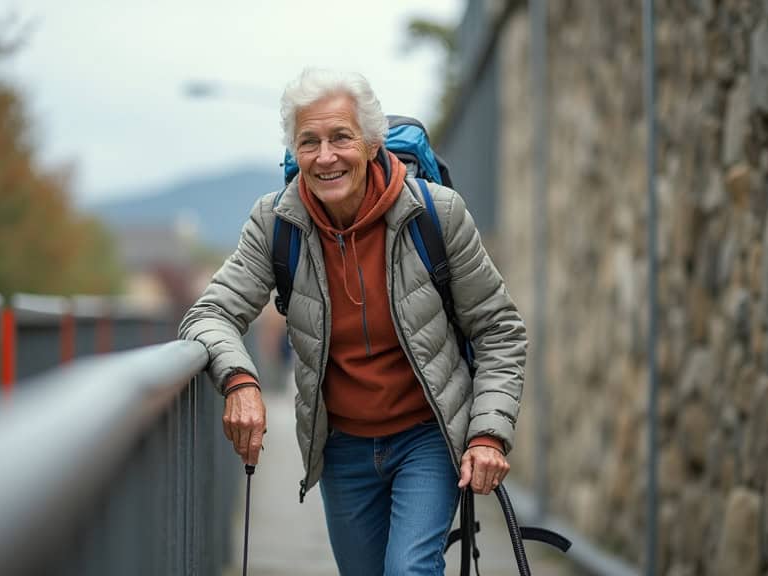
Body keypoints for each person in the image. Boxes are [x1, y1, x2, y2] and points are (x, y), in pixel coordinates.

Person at [178, 68, 527, 576]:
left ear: (369, 143)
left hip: (426, 436)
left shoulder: (437, 214)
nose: (325, 156)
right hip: (343, 447)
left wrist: (488, 435)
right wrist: (239, 379)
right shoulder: (276, 222)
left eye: (340, 137)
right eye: (308, 141)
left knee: (409, 569)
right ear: (294, 152)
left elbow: (499, 329)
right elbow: (210, 312)